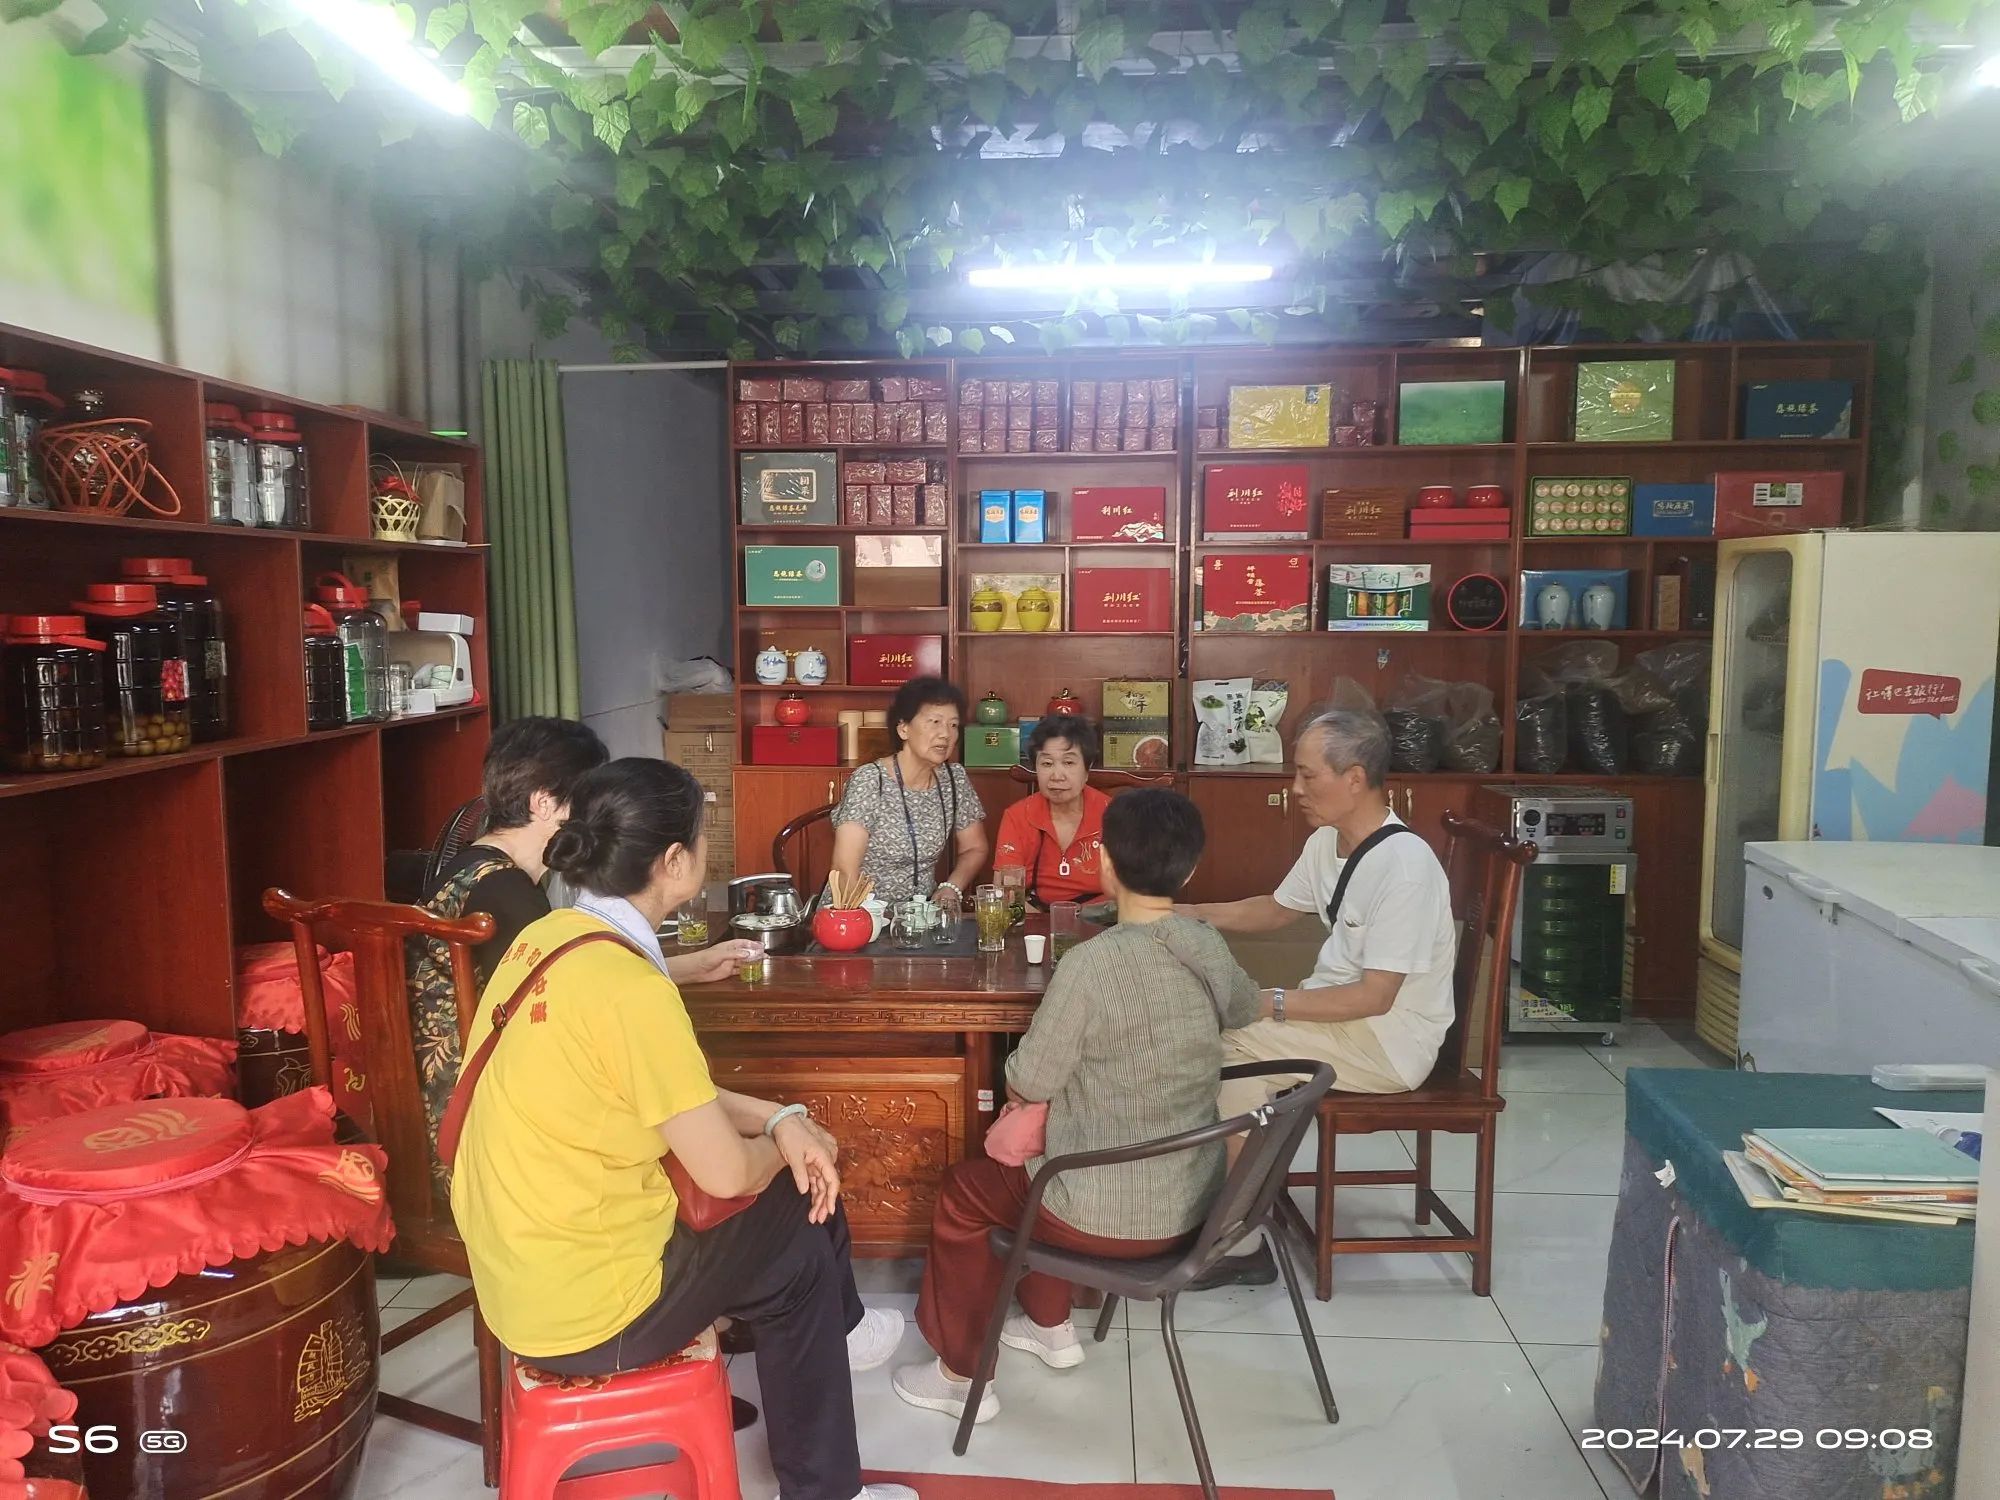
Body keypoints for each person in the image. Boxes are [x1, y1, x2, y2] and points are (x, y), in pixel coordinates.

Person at [450, 758, 916, 1500]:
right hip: (592, 1313)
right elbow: (726, 1173)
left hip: (517, 1282)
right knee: (799, 1228)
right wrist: (792, 1141)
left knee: (792, 1205)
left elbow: (672, 1096)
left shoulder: (547, 941)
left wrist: (780, 1118)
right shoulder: (631, 989)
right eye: (703, 838)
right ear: (674, 861)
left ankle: (839, 1330)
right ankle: (828, 1466)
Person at [892, 789, 1260, 1423]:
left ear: (1105, 865)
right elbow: (1246, 1006)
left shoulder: (1091, 964)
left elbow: (1028, 1081)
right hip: (1194, 1207)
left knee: (971, 1191)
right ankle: (1050, 1327)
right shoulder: (1206, 946)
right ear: (1190, 872)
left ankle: (958, 1375)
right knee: (1054, 1155)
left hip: (1099, 1215)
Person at [409, 719, 758, 1193]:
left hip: (453, 1114)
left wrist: (689, 967)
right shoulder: (507, 896)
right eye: (589, 801)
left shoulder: (475, 865)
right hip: (488, 1137)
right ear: (543, 803)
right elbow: (576, 996)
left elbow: (572, 980)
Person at [1178, 707, 1456, 1290]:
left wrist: (1267, 1002)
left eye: (1308, 775)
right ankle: (1233, 1213)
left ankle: (1236, 1238)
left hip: (1388, 1043)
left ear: (1354, 779)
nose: (1296, 789)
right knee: (1216, 1037)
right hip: (1341, 1020)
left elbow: (1376, 997)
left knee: (1227, 1047)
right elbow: (1276, 909)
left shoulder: (1405, 868)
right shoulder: (1329, 841)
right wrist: (1187, 913)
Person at [829, 676, 989, 906]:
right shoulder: (871, 780)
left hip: (922, 913)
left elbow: (975, 847)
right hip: (860, 910)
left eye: (953, 725)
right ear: (904, 729)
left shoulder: (954, 779)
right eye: (934, 722)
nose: (945, 734)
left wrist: (951, 887)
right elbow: (845, 870)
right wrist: (865, 919)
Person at [992, 717, 1109, 908]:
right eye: (1047, 764)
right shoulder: (1018, 816)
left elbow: (1134, 888)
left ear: (1087, 769)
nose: (1057, 776)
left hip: (1103, 917)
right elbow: (1007, 893)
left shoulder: (1114, 814)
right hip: (1035, 917)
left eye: (1069, 763)